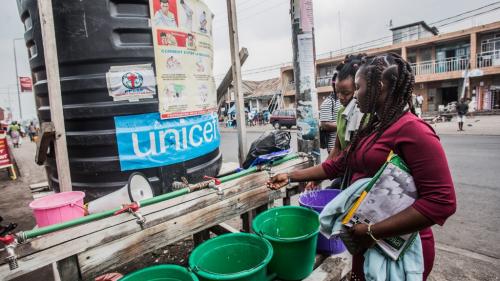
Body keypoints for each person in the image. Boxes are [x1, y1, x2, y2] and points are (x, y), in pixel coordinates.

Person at [268, 53, 456, 281]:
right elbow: (336, 165)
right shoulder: (374, 126)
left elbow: (441, 202)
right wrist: (289, 176)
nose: (355, 96)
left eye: (358, 87)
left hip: (396, 247)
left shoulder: (414, 131)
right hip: (367, 240)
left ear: (379, 86)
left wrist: (372, 231)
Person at [319, 88, 341, 154]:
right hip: (334, 146)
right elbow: (324, 125)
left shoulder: (348, 100)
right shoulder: (329, 102)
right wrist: (345, 125)